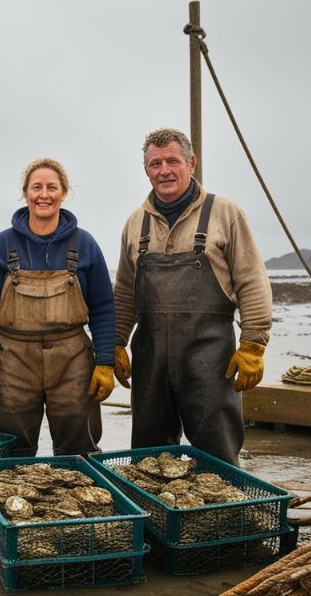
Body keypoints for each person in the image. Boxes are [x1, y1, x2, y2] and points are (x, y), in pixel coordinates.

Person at [113, 127, 272, 466]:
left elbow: (252, 280)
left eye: (173, 161)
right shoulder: (135, 223)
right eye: (155, 164)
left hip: (209, 358)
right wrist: (114, 343)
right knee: (149, 459)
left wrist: (253, 344)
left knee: (218, 454)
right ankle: (157, 515)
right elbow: (125, 291)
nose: (164, 171)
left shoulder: (225, 213)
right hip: (150, 358)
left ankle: (223, 516)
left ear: (191, 163)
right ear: (146, 170)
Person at [0, 158, 116, 456]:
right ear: (25, 194)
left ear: (64, 193)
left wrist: (105, 363)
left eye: (52, 187)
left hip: (72, 359)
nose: (44, 194)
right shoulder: (3, 245)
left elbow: (103, 308)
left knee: (79, 449)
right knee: (11, 451)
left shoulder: (85, 244)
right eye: (36, 187)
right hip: (13, 361)